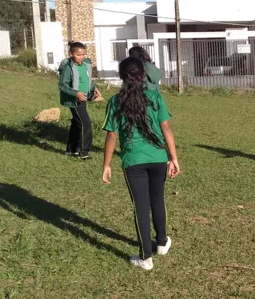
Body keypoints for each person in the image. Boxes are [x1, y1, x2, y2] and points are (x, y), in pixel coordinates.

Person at [101, 57, 181, 270]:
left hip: (133, 161)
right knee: (157, 199)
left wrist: (106, 164)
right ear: (142, 75)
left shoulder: (115, 102)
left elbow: (111, 135)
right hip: (158, 158)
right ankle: (162, 242)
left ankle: (146, 257)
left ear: (121, 76)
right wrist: (173, 157)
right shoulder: (155, 97)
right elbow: (167, 128)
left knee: (141, 206)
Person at [58, 42, 100, 159]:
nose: (81, 57)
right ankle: (84, 151)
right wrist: (76, 93)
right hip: (74, 100)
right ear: (71, 54)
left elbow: (88, 81)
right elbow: (62, 85)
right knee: (85, 123)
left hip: (84, 98)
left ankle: (71, 150)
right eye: (78, 54)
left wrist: (95, 88)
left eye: (83, 54)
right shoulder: (68, 67)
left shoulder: (86, 65)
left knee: (76, 124)